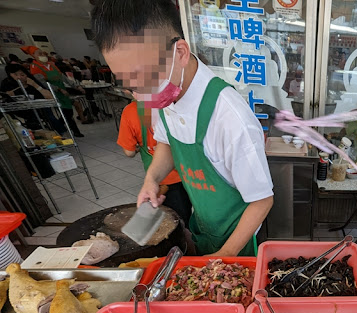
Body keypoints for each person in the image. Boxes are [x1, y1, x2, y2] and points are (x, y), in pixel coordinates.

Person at [92, 0, 273, 256]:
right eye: (129, 85)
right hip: (203, 224)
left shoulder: (230, 117)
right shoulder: (165, 92)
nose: (141, 95)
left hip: (237, 240)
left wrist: (223, 257)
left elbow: (262, 200)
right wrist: (152, 179)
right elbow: (167, 142)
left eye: (145, 78)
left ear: (180, 53)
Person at [117, 100, 192, 224]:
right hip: (185, 174)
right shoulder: (171, 103)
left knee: (173, 221)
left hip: (161, 180)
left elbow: (128, 152)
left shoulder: (130, 111)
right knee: (184, 216)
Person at [20, 46, 87, 136]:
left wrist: (77, 86)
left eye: (43, 53)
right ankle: (73, 131)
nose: (43, 55)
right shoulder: (35, 67)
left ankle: (61, 127)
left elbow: (63, 78)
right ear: (33, 55)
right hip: (51, 93)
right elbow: (43, 84)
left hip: (63, 91)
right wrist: (58, 89)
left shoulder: (51, 65)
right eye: (39, 54)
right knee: (66, 112)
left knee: (68, 112)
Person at [1, 64, 68, 135]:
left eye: (22, 74)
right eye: (15, 74)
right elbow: (4, 98)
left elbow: (49, 96)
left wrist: (34, 85)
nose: (19, 77)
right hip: (21, 109)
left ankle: (60, 132)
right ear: (9, 75)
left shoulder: (31, 80)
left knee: (49, 115)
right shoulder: (6, 83)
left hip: (40, 106)